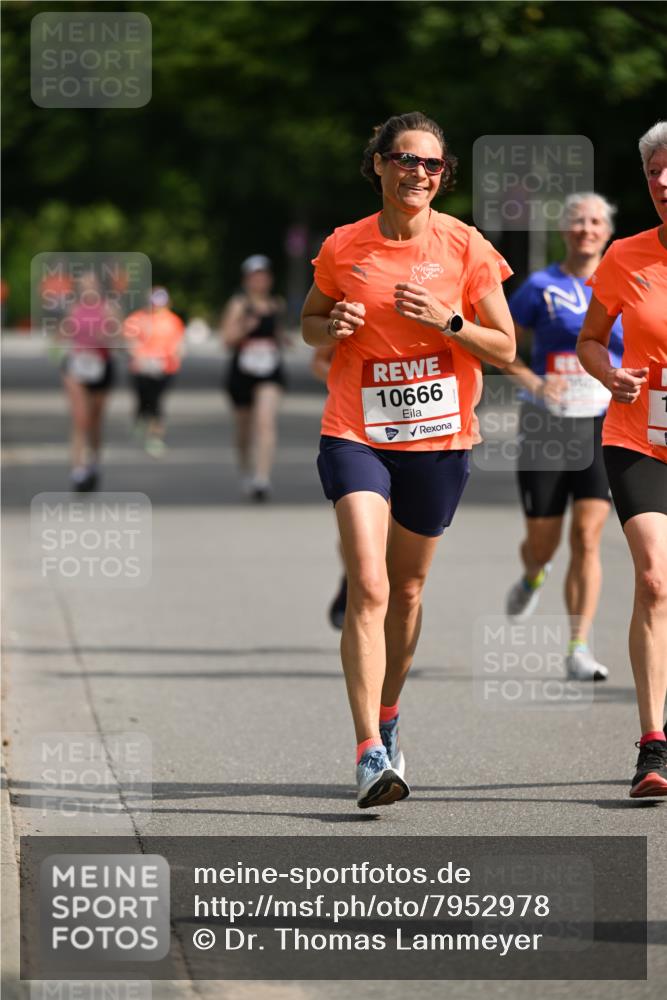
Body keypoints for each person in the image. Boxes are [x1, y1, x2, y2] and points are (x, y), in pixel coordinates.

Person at [301, 112, 515, 808]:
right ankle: (368, 751)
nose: (417, 173)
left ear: (442, 175)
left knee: (408, 589)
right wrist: (330, 325)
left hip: (438, 440)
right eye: (404, 159)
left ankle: (389, 714)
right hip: (356, 433)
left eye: (431, 164)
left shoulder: (464, 245)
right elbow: (309, 321)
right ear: (379, 165)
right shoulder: (343, 245)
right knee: (369, 584)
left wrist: (449, 322)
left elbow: (505, 347)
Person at [577, 121, 667, 798]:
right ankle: (652, 744)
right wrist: (611, 376)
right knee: (655, 579)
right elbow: (589, 339)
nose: (662, 182)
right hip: (639, 437)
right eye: (653, 172)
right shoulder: (625, 256)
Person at [503, 193, 623, 681]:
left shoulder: (623, 283)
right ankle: (533, 574)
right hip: (546, 425)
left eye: (595, 221)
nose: (586, 229)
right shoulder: (539, 286)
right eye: (578, 220)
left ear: (607, 232)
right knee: (543, 543)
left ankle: (578, 646)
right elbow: (502, 347)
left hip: (603, 423)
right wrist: (535, 384)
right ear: (564, 230)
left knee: (587, 536)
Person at [220, 255, 287, 501]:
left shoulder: (276, 304)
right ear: (246, 280)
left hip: (270, 370)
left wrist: (282, 339)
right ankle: (246, 472)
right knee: (244, 429)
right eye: (255, 277)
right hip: (242, 372)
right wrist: (244, 328)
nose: (260, 281)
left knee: (265, 421)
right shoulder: (239, 304)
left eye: (264, 276)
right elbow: (226, 340)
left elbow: (277, 333)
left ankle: (262, 478)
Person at [59, 270, 119, 491]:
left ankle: (94, 462)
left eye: (91, 284)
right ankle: (77, 470)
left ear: (99, 287)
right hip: (77, 366)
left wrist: (105, 337)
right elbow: (60, 335)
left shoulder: (109, 309)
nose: (87, 288)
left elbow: (119, 337)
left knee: (95, 420)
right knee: (80, 419)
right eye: (83, 285)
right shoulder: (73, 309)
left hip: (101, 366)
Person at [123, 287, 186, 457]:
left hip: (164, 368)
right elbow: (130, 341)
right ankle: (140, 418)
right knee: (143, 399)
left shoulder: (173, 320)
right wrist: (140, 356)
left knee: (156, 402)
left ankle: (155, 436)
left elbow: (178, 343)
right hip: (142, 368)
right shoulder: (137, 319)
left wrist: (175, 356)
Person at [311, 343, 348, 629]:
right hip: (354, 431)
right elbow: (319, 362)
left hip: (420, 437)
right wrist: (349, 382)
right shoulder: (355, 314)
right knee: (359, 527)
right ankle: (354, 577)